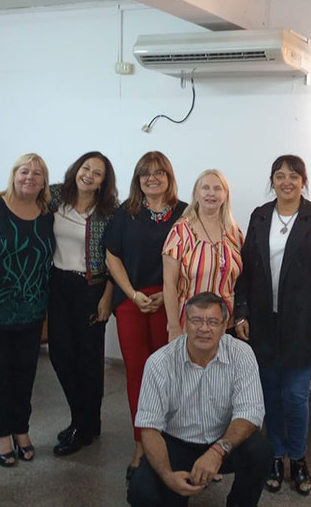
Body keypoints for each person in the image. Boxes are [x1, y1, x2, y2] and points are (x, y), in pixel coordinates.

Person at [234, 154, 311, 496]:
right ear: (272, 181)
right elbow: (246, 269)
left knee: (295, 396)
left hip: (302, 325)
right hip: (264, 322)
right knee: (269, 395)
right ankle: (274, 454)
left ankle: (297, 457)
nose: (286, 182)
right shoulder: (260, 216)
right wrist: (241, 312)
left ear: (303, 181)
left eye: (293, 176)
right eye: (279, 176)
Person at [126, 292, 271, 507]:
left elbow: (250, 413)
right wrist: (167, 475)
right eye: (196, 320)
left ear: (224, 326)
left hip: (223, 441)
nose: (204, 328)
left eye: (213, 322)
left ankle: (240, 505)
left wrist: (218, 451)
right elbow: (149, 428)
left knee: (260, 450)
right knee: (140, 492)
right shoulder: (159, 363)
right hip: (176, 443)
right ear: (185, 323)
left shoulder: (241, 354)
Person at [105, 151, 187, 480]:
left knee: (173, 375)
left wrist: (165, 299)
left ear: (169, 176)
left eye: (159, 173)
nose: (152, 178)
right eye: (144, 174)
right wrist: (132, 293)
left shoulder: (185, 213)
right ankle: (142, 442)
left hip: (172, 304)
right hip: (133, 302)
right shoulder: (127, 212)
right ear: (137, 179)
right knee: (138, 375)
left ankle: (174, 442)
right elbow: (112, 256)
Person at [0, 153, 55, 467]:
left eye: (37, 173)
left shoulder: (48, 213)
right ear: (13, 174)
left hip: (33, 310)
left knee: (25, 374)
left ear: (44, 181)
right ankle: (1, 433)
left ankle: (22, 429)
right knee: (0, 376)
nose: (29, 177)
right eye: (24, 171)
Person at [48, 152, 118, 455]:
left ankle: (85, 424)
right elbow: (16, 192)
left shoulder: (110, 212)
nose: (89, 175)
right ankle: (84, 420)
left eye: (97, 173)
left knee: (89, 360)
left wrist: (107, 297)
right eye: (85, 168)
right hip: (58, 286)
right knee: (61, 355)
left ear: (104, 181)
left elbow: (118, 256)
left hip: (92, 288)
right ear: (76, 169)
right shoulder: (53, 196)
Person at [163, 169, 244, 339]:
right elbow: (169, 284)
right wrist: (174, 327)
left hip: (225, 326)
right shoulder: (181, 231)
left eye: (217, 188)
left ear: (225, 195)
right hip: (191, 324)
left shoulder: (234, 233)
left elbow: (242, 281)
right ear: (196, 194)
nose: (211, 193)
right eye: (205, 188)